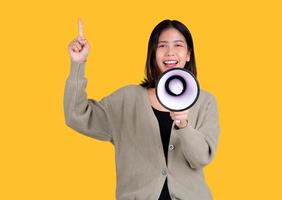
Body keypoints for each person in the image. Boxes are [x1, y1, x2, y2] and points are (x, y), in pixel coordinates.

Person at [64, 18, 220, 200]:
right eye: (162, 46)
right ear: (153, 54)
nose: (170, 52)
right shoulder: (127, 99)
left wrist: (184, 125)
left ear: (188, 54)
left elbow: (200, 158)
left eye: (178, 45)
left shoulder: (205, 101)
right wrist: (78, 64)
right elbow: (76, 115)